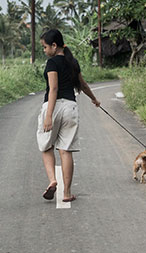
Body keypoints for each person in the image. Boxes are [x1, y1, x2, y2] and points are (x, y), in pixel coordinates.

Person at [37, 28, 100, 202]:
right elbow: (83, 85)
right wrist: (94, 99)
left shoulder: (52, 63)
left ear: (54, 45)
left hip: (54, 106)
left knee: (46, 146)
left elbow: (53, 89)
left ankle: (52, 180)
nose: (44, 50)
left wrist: (48, 116)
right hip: (70, 107)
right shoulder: (73, 62)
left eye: (44, 47)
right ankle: (66, 193)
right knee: (66, 150)